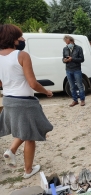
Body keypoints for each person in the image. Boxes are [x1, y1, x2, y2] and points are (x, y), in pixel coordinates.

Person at [0, 24, 53, 178]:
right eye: (20, 37)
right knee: (30, 135)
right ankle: (28, 171)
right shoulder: (21, 55)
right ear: (13, 39)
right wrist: (46, 91)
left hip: (8, 99)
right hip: (24, 101)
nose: (23, 39)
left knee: (25, 130)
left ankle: (12, 151)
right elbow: (33, 83)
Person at [63, 35, 85, 107]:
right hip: (68, 69)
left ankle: (82, 100)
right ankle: (75, 100)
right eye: (66, 43)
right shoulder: (65, 49)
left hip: (76, 69)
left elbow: (82, 59)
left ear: (72, 41)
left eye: (68, 43)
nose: (67, 44)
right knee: (72, 86)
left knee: (79, 85)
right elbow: (63, 58)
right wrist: (65, 60)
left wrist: (72, 59)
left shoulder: (79, 48)